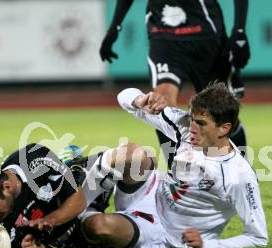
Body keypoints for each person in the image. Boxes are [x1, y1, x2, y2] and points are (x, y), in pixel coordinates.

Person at [80, 82, 268, 248]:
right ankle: (78, 207)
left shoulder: (239, 176)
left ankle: (84, 219)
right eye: (193, 119)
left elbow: (257, 237)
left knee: (98, 226)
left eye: (201, 123)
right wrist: (140, 100)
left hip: (163, 233)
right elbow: (123, 97)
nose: (193, 127)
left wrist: (207, 244)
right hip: (150, 191)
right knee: (131, 153)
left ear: (224, 128)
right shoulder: (185, 125)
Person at [100, 0, 251, 166]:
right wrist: (115, 26)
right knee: (160, 104)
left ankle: (240, 169)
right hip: (164, 36)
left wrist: (239, 30)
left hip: (205, 35)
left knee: (219, 113)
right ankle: (178, 175)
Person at [0, 143, 92, 248]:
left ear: (7, 187)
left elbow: (79, 200)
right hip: (43, 210)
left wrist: (49, 220)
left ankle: (67, 161)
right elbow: (21, 241)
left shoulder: (37, 160)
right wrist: (31, 245)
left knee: (78, 175)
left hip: (76, 187)